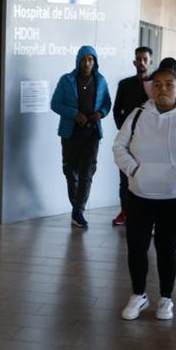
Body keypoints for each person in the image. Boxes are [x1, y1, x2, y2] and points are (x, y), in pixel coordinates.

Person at [113, 67, 176, 320]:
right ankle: (139, 295)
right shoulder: (138, 115)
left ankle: (166, 298)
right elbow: (119, 146)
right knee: (137, 247)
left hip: (175, 196)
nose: (162, 89)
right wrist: (134, 169)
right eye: (157, 84)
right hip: (140, 193)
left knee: (166, 248)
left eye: (168, 84)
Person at [51, 45, 112, 228]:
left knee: (87, 172)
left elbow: (107, 104)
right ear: (78, 61)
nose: (87, 63)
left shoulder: (101, 81)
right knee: (71, 172)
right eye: (84, 59)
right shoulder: (67, 80)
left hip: (92, 134)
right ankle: (77, 207)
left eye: (91, 59)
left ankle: (78, 211)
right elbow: (55, 104)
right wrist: (74, 113)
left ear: (95, 62)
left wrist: (100, 113)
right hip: (70, 134)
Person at [111, 46, 154, 226]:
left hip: (150, 139)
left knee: (147, 176)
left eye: (145, 59)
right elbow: (116, 110)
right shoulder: (125, 84)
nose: (141, 62)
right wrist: (123, 129)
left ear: (150, 62)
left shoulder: (155, 85)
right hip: (129, 139)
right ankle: (125, 211)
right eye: (139, 59)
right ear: (134, 62)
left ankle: (147, 215)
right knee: (125, 176)